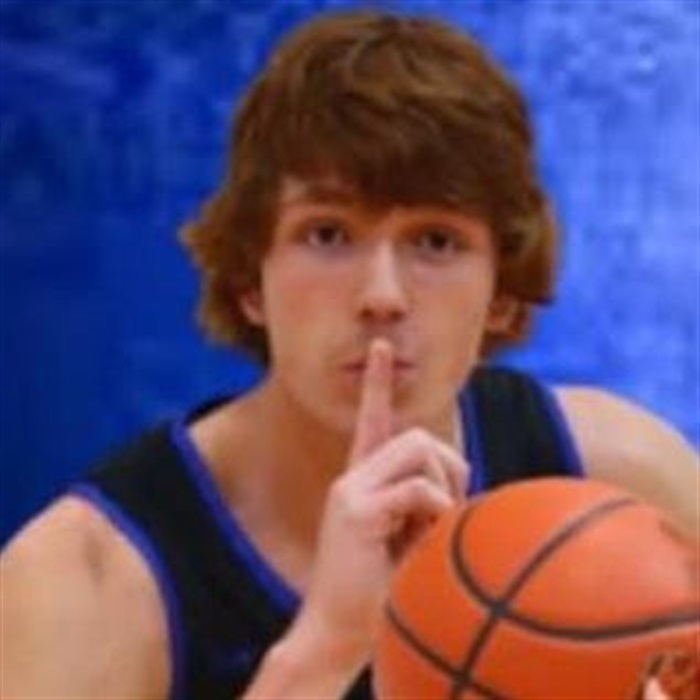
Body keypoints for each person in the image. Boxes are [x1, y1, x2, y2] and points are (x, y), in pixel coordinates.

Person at [1, 10, 697, 700]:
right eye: (328, 234)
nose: (382, 296)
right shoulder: (83, 586)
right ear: (250, 280)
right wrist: (324, 650)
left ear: (502, 293)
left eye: (436, 241)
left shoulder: (620, 476)